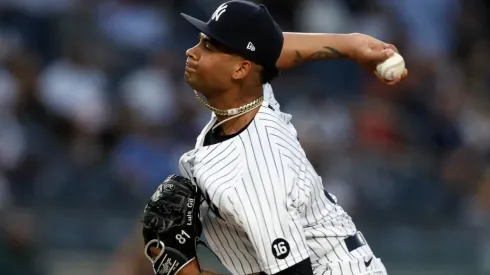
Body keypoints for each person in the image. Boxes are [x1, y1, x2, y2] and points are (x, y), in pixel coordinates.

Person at [135, 1, 408, 275]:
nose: (191, 52)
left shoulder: (252, 169)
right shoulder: (252, 97)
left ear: (240, 70)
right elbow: (269, 49)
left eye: (208, 47)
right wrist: (351, 45)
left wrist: (187, 272)